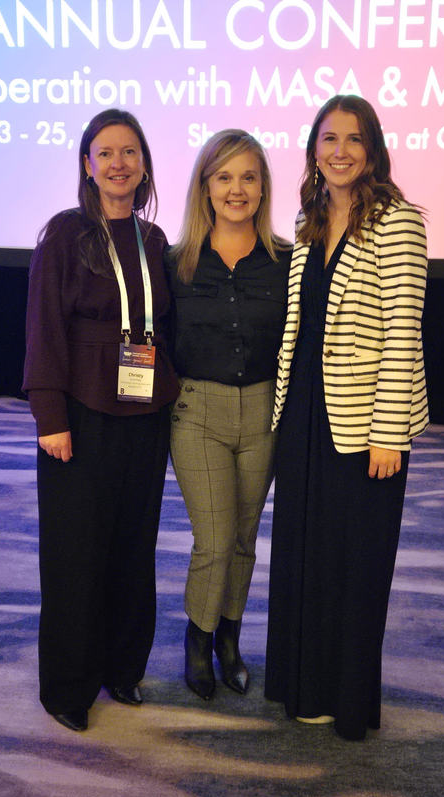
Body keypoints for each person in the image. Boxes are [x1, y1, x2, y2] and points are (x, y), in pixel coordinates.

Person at [264, 95, 429, 741]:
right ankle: (302, 684)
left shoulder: (399, 221)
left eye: (353, 139)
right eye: (328, 138)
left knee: (356, 560)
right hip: (305, 407)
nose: (340, 150)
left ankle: (349, 697)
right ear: (312, 149)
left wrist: (389, 433)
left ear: (373, 149)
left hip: (366, 422)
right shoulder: (308, 221)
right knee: (304, 549)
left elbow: (400, 331)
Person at [23, 109, 179, 732]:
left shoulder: (155, 240)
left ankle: (122, 669)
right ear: (87, 164)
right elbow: (44, 331)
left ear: (144, 165)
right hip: (79, 417)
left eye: (129, 153)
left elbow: (163, 327)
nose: (119, 164)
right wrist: (49, 415)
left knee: (133, 550)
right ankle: (68, 687)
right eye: (105, 153)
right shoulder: (65, 234)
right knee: (75, 553)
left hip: (145, 415)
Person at [166, 130, 291, 700]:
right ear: (205, 187)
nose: (236, 189)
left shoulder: (287, 262)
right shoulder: (176, 263)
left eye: (248, 177)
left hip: (264, 410)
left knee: (243, 537)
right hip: (198, 413)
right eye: (224, 177)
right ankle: (198, 639)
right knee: (213, 538)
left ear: (263, 187)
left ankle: (229, 643)